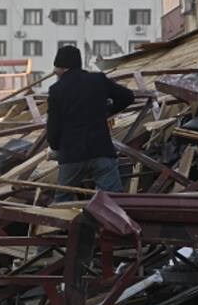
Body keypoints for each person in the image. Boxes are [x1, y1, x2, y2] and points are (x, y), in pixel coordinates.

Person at [46, 45, 135, 202]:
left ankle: (62, 226)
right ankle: (113, 226)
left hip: (72, 154)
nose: (55, 71)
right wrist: (108, 110)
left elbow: (54, 125)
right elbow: (127, 97)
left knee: (62, 200)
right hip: (101, 149)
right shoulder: (98, 80)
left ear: (62, 67)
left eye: (56, 67)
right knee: (112, 199)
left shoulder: (56, 90)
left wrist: (55, 146)